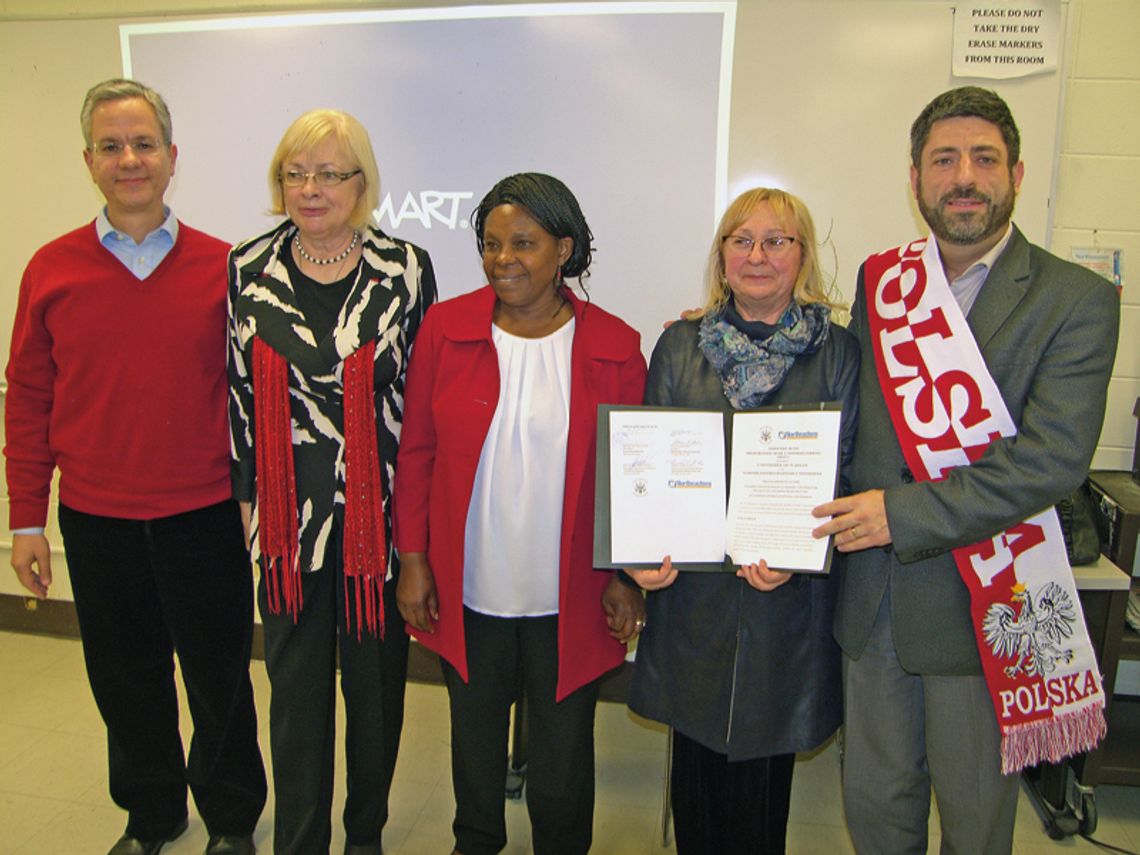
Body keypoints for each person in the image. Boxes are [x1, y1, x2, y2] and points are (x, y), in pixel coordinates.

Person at [811, 87, 1120, 855]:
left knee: (976, 815)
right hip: (876, 599)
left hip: (991, 598)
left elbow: (1050, 461)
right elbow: (858, 415)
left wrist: (900, 514)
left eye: (984, 159)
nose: (964, 177)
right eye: (944, 159)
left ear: (1015, 172)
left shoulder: (1076, 298)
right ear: (915, 177)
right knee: (875, 801)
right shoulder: (884, 283)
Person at [4, 79, 266, 855]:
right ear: (89, 160)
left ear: (171, 157)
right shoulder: (50, 269)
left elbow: (256, 401)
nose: (130, 159)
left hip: (204, 513)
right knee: (125, 682)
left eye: (144, 143)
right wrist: (26, 520)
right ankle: (151, 816)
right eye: (112, 146)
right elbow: (28, 401)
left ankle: (229, 821)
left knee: (219, 680)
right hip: (95, 517)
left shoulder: (228, 267)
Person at [393, 172, 647, 855]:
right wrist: (412, 561)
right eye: (491, 242)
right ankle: (475, 841)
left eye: (524, 243)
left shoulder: (617, 345)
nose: (503, 257)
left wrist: (627, 576)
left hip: (572, 597)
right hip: (469, 587)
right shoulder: (446, 330)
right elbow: (416, 451)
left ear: (563, 249)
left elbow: (634, 477)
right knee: (474, 749)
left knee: (564, 763)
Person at [625, 187, 858, 854]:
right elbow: (649, 466)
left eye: (776, 240)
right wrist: (639, 552)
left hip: (786, 600)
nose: (757, 254)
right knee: (695, 789)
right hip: (693, 598)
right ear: (722, 255)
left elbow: (844, 472)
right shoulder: (679, 344)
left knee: (761, 798)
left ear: (802, 256)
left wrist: (800, 547)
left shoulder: (838, 353)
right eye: (741, 239)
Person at [227, 109, 436, 855]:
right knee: (296, 703)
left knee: (375, 701)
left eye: (328, 174)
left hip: (373, 530)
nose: (310, 188)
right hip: (287, 532)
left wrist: (418, 530)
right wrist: (249, 505)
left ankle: (365, 839)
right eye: (295, 172)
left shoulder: (405, 268)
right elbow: (240, 396)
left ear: (361, 184)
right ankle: (300, 840)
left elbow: (423, 403)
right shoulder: (246, 265)